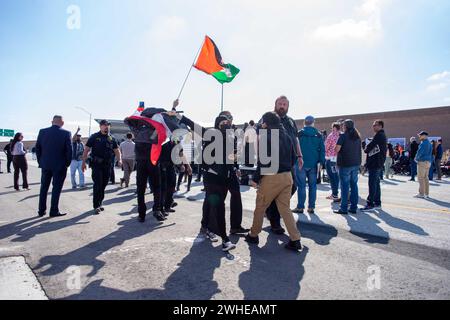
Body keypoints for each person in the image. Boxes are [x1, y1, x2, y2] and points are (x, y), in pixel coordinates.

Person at [169, 105, 240, 251]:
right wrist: (177, 115)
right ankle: (224, 239)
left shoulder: (230, 138)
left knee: (213, 205)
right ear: (218, 124)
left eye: (228, 123)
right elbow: (192, 124)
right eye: (224, 123)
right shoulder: (209, 133)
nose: (227, 125)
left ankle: (207, 227)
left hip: (223, 178)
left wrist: (234, 168)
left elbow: (231, 158)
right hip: (211, 178)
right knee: (218, 207)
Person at [245, 111, 302, 251]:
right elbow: (294, 158)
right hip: (287, 176)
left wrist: (255, 179)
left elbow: (263, 162)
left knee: (260, 207)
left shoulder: (266, 136)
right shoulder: (287, 136)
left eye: (263, 122)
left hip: (271, 176)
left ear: (266, 123)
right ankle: (295, 239)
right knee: (285, 209)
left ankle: (253, 235)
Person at [264, 96, 303, 235]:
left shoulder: (291, 121)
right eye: (280, 104)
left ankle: (270, 210)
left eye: (284, 104)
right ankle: (275, 222)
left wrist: (300, 155)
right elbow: (259, 137)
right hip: (273, 162)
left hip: (289, 161)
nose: (282, 106)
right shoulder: (268, 118)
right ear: (275, 105)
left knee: (293, 187)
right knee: (276, 190)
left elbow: (295, 139)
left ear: (288, 106)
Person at [82, 120, 122, 215]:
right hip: (96, 165)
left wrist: (119, 160)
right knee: (98, 184)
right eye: (104, 125)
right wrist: (83, 162)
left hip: (107, 165)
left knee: (103, 184)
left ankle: (100, 203)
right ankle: (96, 205)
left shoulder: (112, 138)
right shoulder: (94, 137)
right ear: (100, 126)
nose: (106, 127)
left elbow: (117, 150)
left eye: (107, 125)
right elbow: (86, 150)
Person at [35, 116, 72, 217]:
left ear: (52, 122)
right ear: (62, 122)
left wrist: (41, 162)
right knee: (56, 188)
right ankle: (53, 210)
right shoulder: (66, 133)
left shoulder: (42, 132)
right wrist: (67, 164)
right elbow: (69, 151)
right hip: (60, 166)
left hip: (45, 165)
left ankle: (41, 210)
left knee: (44, 187)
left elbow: (37, 148)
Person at [292, 116, 325, 214]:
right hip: (314, 164)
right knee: (313, 186)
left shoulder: (299, 133)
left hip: (300, 163)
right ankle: (311, 207)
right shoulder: (318, 135)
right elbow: (322, 150)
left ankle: (300, 207)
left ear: (304, 123)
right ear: (313, 123)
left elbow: (294, 148)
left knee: (301, 186)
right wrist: (321, 162)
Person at [333, 119, 362, 215]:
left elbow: (337, 149)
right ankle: (354, 207)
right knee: (354, 185)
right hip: (356, 163)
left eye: (343, 125)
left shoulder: (343, 136)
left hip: (345, 164)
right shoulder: (357, 137)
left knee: (344, 186)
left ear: (345, 126)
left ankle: (344, 208)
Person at [361, 120, 387, 211]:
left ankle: (370, 204)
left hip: (376, 163)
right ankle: (377, 203)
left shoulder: (379, 135)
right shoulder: (380, 135)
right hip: (377, 163)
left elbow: (369, 148)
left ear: (380, 126)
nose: (373, 127)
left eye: (375, 125)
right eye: (373, 125)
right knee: (376, 184)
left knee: (372, 184)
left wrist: (365, 147)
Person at [325, 122, 341, 202]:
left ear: (334, 127)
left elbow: (326, 147)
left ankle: (334, 194)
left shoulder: (331, 136)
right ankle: (335, 193)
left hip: (330, 158)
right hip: (338, 158)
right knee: (336, 176)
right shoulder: (341, 135)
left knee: (331, 176)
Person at [414, 131, 433, 198]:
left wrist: (416, 158)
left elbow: (419, 152)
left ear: (424, 136)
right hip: (428, 162)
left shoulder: (423, 143)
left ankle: (421, 193)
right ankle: (426, 193)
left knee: (420, 178)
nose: (419, 137)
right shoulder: (430, 143)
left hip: (422, 161)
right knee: (426, 178)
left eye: (420, 135)